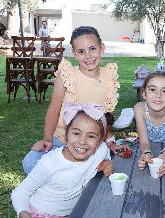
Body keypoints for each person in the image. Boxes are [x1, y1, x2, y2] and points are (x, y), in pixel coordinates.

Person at [22, 26, 123, 174]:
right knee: (30, 163)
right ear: (74, 53)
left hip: (89, 142)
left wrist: (110, 141)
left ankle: (71, 172)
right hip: (61, 139)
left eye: (92, 49)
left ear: (102, 48)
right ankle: (70, 172)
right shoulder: (67, 75)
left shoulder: (108, 77)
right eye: (81, 52)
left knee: (96, 162)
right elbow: (54, 109)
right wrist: (47, 140)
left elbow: (106, 115)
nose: (88, 56)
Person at [11, 102, 114, 218]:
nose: (82, 141)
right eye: (76, 133)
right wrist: (24, 214)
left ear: (100, 141)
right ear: (67, 135)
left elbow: (107, 160)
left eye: (91, 136)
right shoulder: (50, 162)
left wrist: (108, 164)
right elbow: (20, 192)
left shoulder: (101, 150)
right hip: (39, 213)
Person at [135, 71, 165, 177]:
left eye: (164, 91)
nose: (158, 95)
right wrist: (146, 154)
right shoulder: (139, 109)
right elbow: (144, 143)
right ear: (144, 93)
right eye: (153, 89)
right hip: (151, 145)